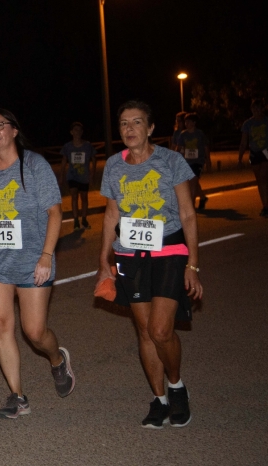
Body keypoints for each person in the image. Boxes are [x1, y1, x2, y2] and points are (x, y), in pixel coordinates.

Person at [95, 100, 202, 429]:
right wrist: (103, 261)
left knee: (160, 329)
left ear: (151, 128)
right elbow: (112, 214)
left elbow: (187, 213)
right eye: (124, 124)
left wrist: (193, 265)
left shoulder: (172, 161)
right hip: (130, 253)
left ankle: (176, 387)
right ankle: (159, 400)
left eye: (137, 122)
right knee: (144, 331)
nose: (129, 129)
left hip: (169, 249)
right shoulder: (113, 165)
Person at [0, 108, 75, 419]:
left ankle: (57, 359)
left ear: (14, 130)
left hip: (32, 261)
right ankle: (17, 395)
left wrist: (46, 256)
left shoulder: (35, 166)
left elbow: (55, 213)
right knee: (1, 325)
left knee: (35, 331)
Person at [60, 122, 97, 229]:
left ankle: (84, 219)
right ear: (71, 132)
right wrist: (61, 176)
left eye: (80, 130)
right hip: (72, 176)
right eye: (75, 130)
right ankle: (76, 220)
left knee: (84, 198)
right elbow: (63, 161)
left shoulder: (87, 145)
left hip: (84, 176)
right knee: (74, 197)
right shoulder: (67, 146)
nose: (78, 132)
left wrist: (92, 173)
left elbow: (94, 158)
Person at [238, 98, 268, 216]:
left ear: (262, 109)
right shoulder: (248, 124)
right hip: (254, 153)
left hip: (266, 151)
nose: (255, 111)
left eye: (257, 108)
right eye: (253, 108)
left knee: (264, 176)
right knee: (260, 180)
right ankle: (265, 205)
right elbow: (244, 142)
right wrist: (239, 158)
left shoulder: (266, 121)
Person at [177, 113, 211, 209]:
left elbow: (206, 147)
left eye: (188, 121)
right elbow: (178, 148)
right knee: (190, 184)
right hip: (187, 162)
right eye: (185, 122)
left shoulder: (200, 134)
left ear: (194, 123)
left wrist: (208, 161)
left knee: (193, 182)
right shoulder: (183, 134)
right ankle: (202, 198)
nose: (186, 123)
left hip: (198, 162)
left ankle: (191, 206)